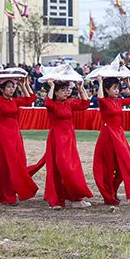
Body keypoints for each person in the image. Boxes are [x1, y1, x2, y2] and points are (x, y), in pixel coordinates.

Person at [31, 79, 93, 209]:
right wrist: (52, 86)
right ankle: (56, 200)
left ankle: (76, 198)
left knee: (72, 168)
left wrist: (80, 88)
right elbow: (47, 103)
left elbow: (85, 104)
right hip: (57, 139)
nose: (67, 92)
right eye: (63, 90)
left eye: (68, 89)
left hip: (69, 138)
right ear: (56, 92)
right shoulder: (52, 104)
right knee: (57, 169)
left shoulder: (69, 103)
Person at [0, 77, 38, 205]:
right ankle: (6, 196)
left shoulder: (14, 101)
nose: (12, 89)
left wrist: (24, 85)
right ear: (1, 89)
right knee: (5, 165)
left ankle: (11, 191)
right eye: (9, 87)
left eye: (13, 87)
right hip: (3, 136)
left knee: (17, 163)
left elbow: (30, 100)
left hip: (15, 134)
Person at [92, 76, 130, 205]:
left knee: (124, 164)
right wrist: (100, 82)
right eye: (114, 88)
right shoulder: (104, 101)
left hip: (119, 135)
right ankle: (109, 194)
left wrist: (128, 84)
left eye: (118, 88)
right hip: (108, 135)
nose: (117, 90)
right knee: (108, 166)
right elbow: (100, 99)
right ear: (107, 90)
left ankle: (113, 189)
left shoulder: (119, 101)